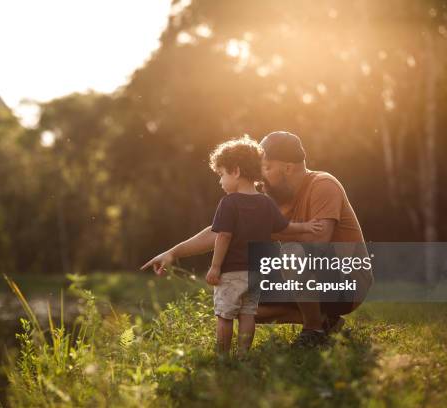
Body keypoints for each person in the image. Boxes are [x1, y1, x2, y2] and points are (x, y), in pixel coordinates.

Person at [141, 131, 373, 347]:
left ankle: (313, 331)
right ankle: (325, 322)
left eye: (267, 168)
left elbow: (320, 240)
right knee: (243, 304)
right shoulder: (272, 200)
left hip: (347, 282)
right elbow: (221, 230)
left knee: (291, 253)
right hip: (307, 279)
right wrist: (173, 252)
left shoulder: (323, 185)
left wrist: (259, 229)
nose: (260, 178)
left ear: (288, 168)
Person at [206, 136, 323, 356]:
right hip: (255, 273)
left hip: (231, 272)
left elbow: (223, 236)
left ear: (236, 171)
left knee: (225, 315)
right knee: (248, 314)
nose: (220, 181)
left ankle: (222, 356)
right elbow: (285, 227)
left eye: (222, 174)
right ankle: (243, 354)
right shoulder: (266, 202)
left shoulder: (228, 203)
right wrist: (307, 227)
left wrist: (215, 266)